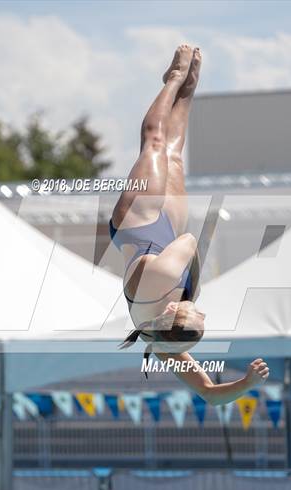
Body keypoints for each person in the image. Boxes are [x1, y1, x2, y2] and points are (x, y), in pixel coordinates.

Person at [109, 45, 270, 403]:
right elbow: (210, 395)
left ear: (169, 312)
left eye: (195, 315)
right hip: (163, 232)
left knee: (154, 143)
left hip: (138, 222)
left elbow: (187, 242)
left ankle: (174, 79)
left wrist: (192, 288)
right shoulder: (164, 339)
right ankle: (190, 89)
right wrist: (245, 384)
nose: (202, 311)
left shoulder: (165, 281)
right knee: (174, 157)